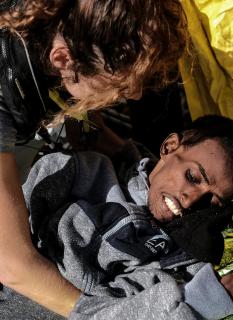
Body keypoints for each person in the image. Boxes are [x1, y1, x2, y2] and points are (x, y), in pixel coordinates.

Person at [2, 115, 233, 319]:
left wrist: (228, 293)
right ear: (168, 147)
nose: (193, 199)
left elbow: (117, 312)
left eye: (211, 200)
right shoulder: (83, 172)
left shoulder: (181, 260)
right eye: (193, 177)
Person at [0, 0, 187, 316]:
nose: (137, 94)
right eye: (121, 83)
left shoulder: (47, 29)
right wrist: (103, 312)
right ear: (63, 58)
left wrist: (130, 158)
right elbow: (14, 264)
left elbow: (81, 120)